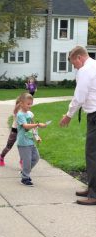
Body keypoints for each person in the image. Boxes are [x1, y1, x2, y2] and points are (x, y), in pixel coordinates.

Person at [60, 46, 96, 205]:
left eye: (74, 63)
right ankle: (92, 188)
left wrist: (68, 115)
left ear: (79, 58)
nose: (74, 67)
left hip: (95, 115)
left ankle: (94, 195)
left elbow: (79, 97)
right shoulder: (94, 65)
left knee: (92, 154)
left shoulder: (85, 70)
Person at [16, 93, 46, 186]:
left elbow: (33, 128)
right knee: (27, 161)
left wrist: (37, 136)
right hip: (23, 142)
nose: (30, 106)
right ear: (21, 104)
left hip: (30, 141)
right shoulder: (20, 115)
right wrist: (37, 124)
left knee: (36, 158)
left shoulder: (30, 114)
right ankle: (25, 178)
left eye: (31, 103)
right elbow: (25, 126)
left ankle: (24, 172)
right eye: (28, 104)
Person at [0, 97, 23, 167]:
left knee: (23, 147)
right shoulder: (16, 112)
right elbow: (16, 112)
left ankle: (22, 160)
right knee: (9, 146)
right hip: (15, 131)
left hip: (23, 131)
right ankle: (1, 156)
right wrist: (20, 103)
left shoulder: (26, 112)